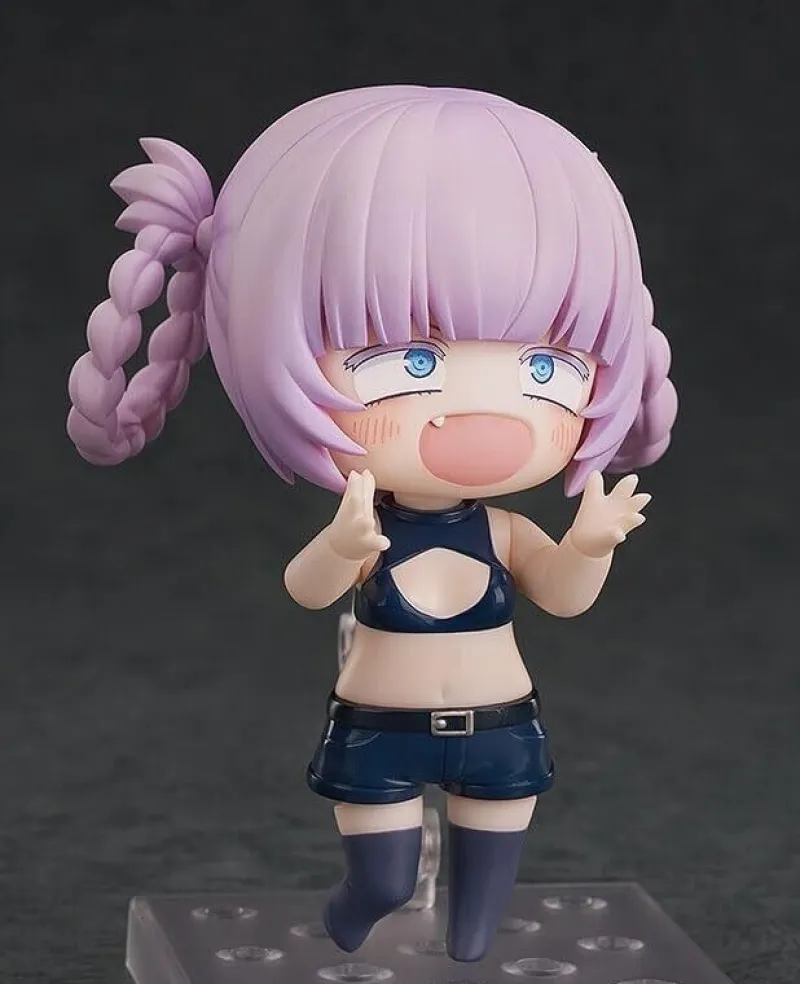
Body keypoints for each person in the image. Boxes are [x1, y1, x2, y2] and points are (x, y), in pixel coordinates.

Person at [67, 85, 677, 962]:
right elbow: (305, 589)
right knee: (383, 883)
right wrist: (342, 546)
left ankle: (467, 957)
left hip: (502, 730)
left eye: (547, 367)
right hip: (378, 732)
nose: (486, 419)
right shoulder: (367, 525)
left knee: (478, 927)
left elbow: (564, 597)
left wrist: (588, 543)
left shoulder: (504, 531)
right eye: (407, 363)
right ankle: (351, 919)